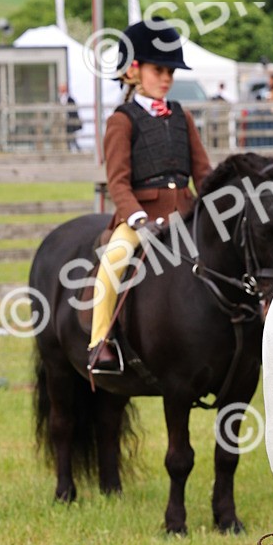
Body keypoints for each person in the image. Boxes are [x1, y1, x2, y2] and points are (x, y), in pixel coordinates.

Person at [87, 20, 212, 374]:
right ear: (134, 70)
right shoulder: (121, 121)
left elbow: (202, 174)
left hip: (186, 215)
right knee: (113, 261)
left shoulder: (182, 116)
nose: (167, 78)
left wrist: (216, 204)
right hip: (140, 218)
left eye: (170, 71)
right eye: (159, 70)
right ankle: (100, 343)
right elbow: (119, 183)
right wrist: (138, 219)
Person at [58, 85, 82, 151]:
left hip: (70, 120)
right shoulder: (60, 99)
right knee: (68, 136)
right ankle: (70, 148)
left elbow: (74, 111)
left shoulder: (70, 99)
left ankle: (75, 149)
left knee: (72, 135)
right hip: (64, 120)